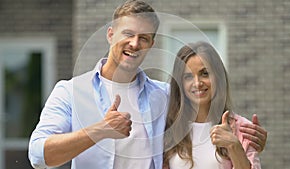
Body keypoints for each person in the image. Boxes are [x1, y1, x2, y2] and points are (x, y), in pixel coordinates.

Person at [29, 1, 168, 169]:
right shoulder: (70, 92)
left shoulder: (164, 95)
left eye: (144, 38)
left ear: (151, 45)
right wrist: (101, 129)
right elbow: (38, 156)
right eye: (128, 34)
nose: (134, 44)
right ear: (110, 35)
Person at [163, 41, 263, 169]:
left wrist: (234, 147)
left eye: (204, 73)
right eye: (188, 77)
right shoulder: (168, 128)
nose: (197, 83)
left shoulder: (242, 129)